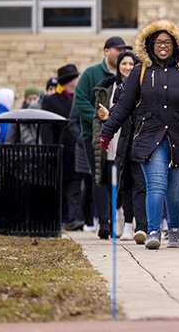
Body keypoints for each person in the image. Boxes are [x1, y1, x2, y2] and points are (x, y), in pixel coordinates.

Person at [100, 20, 179, 250]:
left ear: (175, 45)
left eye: (167, 42)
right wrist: (107, 133)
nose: (162, 46)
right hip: (149, 138)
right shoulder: (140, 71)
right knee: (156, 185)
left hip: (178, 137)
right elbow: (124, 106)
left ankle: (174, 229)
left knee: (175, 192)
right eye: (158, 42)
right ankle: (153, 230)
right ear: (150, 45)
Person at [74, 36, 132, 231]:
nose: (119, 53)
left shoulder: (131, 75)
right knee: (99, 177)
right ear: (106, 51)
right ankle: (104, 222)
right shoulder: (92, 73)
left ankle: (118, 218)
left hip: (120, 135)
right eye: (116, 49)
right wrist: (98, 117)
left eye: (123, 50)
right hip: (94, 134)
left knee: (120, 177)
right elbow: (80, 100)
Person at [92, 51, 142, 241]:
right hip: (112, 139)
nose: (128, 67)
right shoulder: (108, 87)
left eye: (131, 64)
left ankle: (133, 222)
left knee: (131, 182)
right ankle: (116, 219)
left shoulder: (140, 86)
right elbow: (99, 115)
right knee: (116, 183)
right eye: (124, 64)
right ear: (118, 66)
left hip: (131, 139)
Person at [41, 64, 82, 231]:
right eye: (73, 79)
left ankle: (73, 219)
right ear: (67, 82)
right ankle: (61, 218)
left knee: (75, 187)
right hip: (59, 150)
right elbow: (47, 128)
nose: (76, 82)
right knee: (61, 186)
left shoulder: (79, 99)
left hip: (76, 150)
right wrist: (50, 149)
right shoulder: (51, 101)